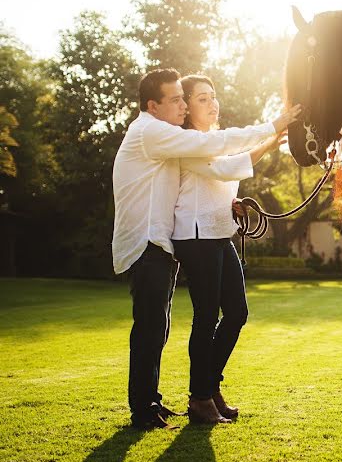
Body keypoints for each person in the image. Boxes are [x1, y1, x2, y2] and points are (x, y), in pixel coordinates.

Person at [112, 68, 301, 430]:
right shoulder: (162, 135)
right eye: (182, 99)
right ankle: (181, 400)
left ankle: (190, 393)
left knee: (180, 323)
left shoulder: (170, 138)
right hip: (160, 239)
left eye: (192, 99)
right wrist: (272, 127)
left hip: (171, 238)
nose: (186, 105)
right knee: (159, 326)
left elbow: (219, 173)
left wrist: (231, 203)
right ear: (153, 105)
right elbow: (222, 164)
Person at [172, 74, 282, 424]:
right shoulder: (186, 140)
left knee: (236, 314)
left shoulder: (209, 140)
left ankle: (209, 388)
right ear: (187, 106)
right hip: (195, 236)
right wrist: (270, 139)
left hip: (219, 233)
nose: (212, 102)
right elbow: (222, 169)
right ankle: (200, 399)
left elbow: (218, 180)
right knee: (206, 319)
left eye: (213, 96)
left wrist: (231, 202)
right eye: (202, 98)